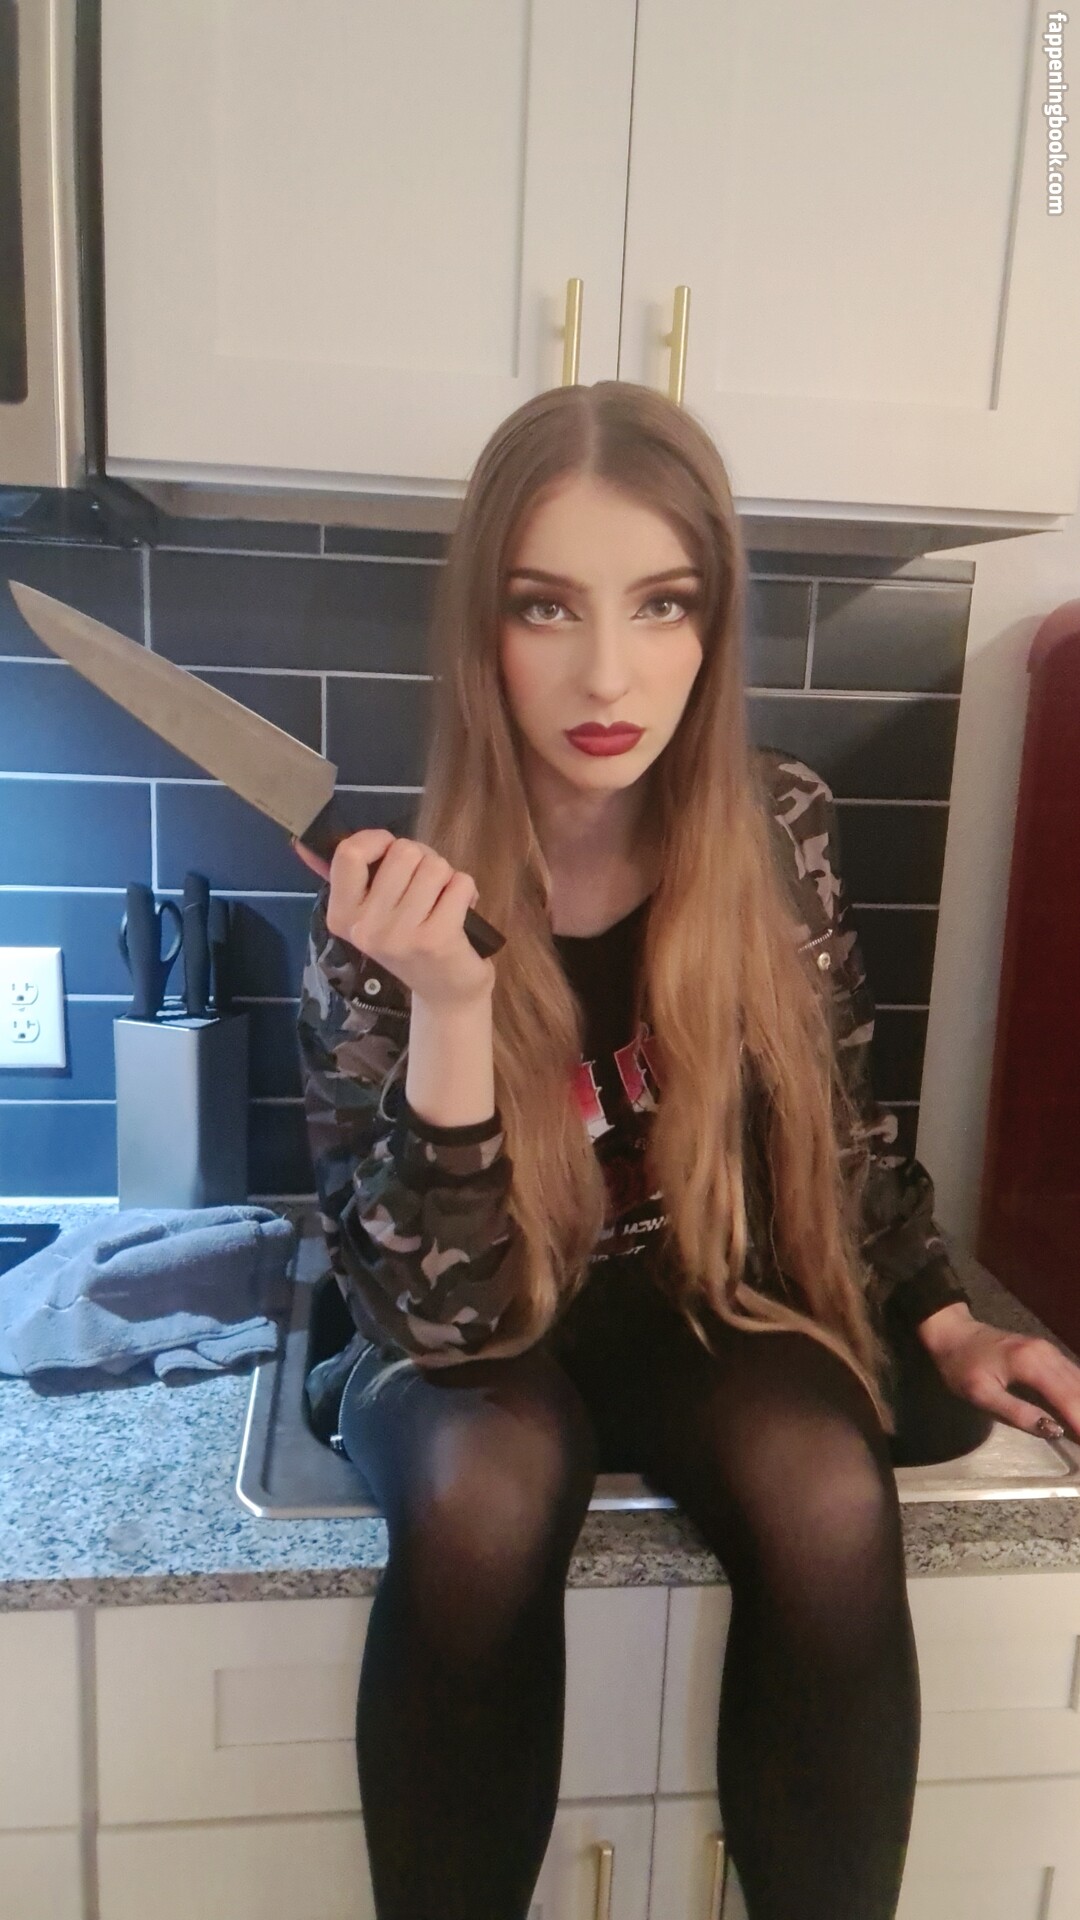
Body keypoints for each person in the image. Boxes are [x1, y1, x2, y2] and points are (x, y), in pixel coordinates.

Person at [291, 381, 1080, 1920]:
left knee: (825, 1482)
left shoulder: (776, 829)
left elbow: (841, 1130)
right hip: (473, 1334)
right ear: (481, 631)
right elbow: (438, 1324)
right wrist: (451, 1002)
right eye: (546, 606)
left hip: (691, 1297)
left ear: (714, 624)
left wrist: (945, 1319)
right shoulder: (387, 904)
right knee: (486, 1485)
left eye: (662, 603)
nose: (609, 672)